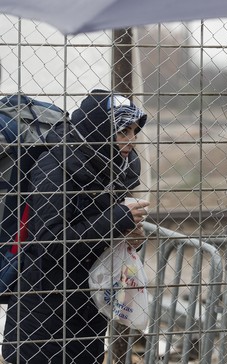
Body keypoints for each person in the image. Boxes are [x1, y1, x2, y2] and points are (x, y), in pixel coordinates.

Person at [2, 90, 150, 363]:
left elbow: (97, 231)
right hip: (44, 312)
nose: (131, 141)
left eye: (134, 131)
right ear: (99, 129)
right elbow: (50, 243)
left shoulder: (112, 167)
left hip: (88, 309)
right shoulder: (54, 166)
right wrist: (118, 218)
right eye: (122, 131)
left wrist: (129, 235)